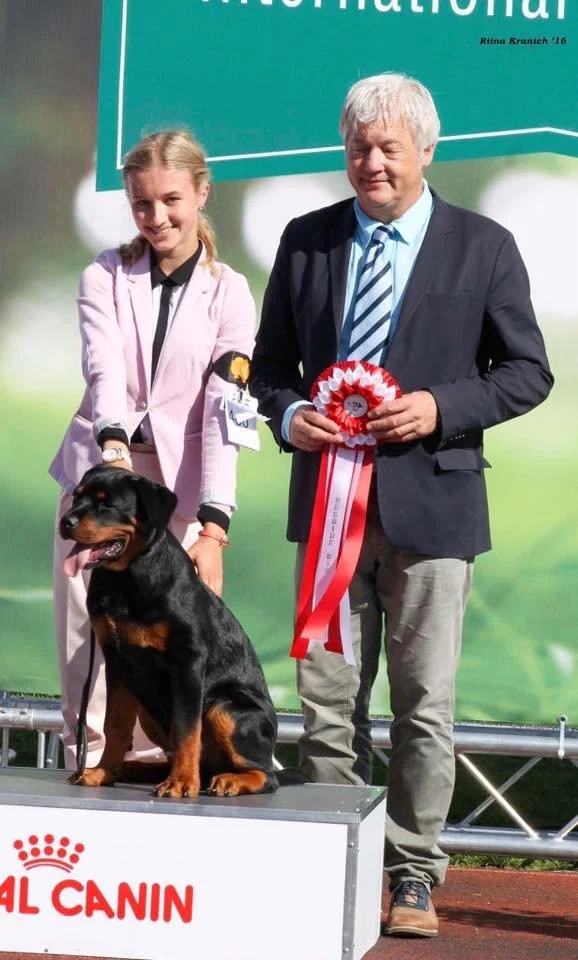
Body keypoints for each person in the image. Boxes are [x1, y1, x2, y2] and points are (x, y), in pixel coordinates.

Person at [250, 73, 553, 938]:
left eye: (388, 147)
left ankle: (414, 873)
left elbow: (528, 372)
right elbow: (269, 369)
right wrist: (289, 414)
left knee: (425, 704)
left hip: (435, 513)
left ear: (427, 148)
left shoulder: (484, 245)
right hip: (329, 516)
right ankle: (331, 860)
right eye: (357, 146)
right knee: (328, 701)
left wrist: (441, 408)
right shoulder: (305, 242)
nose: (371, 162)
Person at [50, 130, 255, 772]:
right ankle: (90, 761)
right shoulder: (103, 276)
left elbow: (227, 410)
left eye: (171, 199)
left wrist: (214, 526)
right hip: (103, 476)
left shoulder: (231, 293)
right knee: (87, 636)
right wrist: (112, 446)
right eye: (142, 203)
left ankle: (155, 764)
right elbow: (103, 365)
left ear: (201, 193)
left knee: (173, 642)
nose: (157, 216)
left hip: (178, 494)